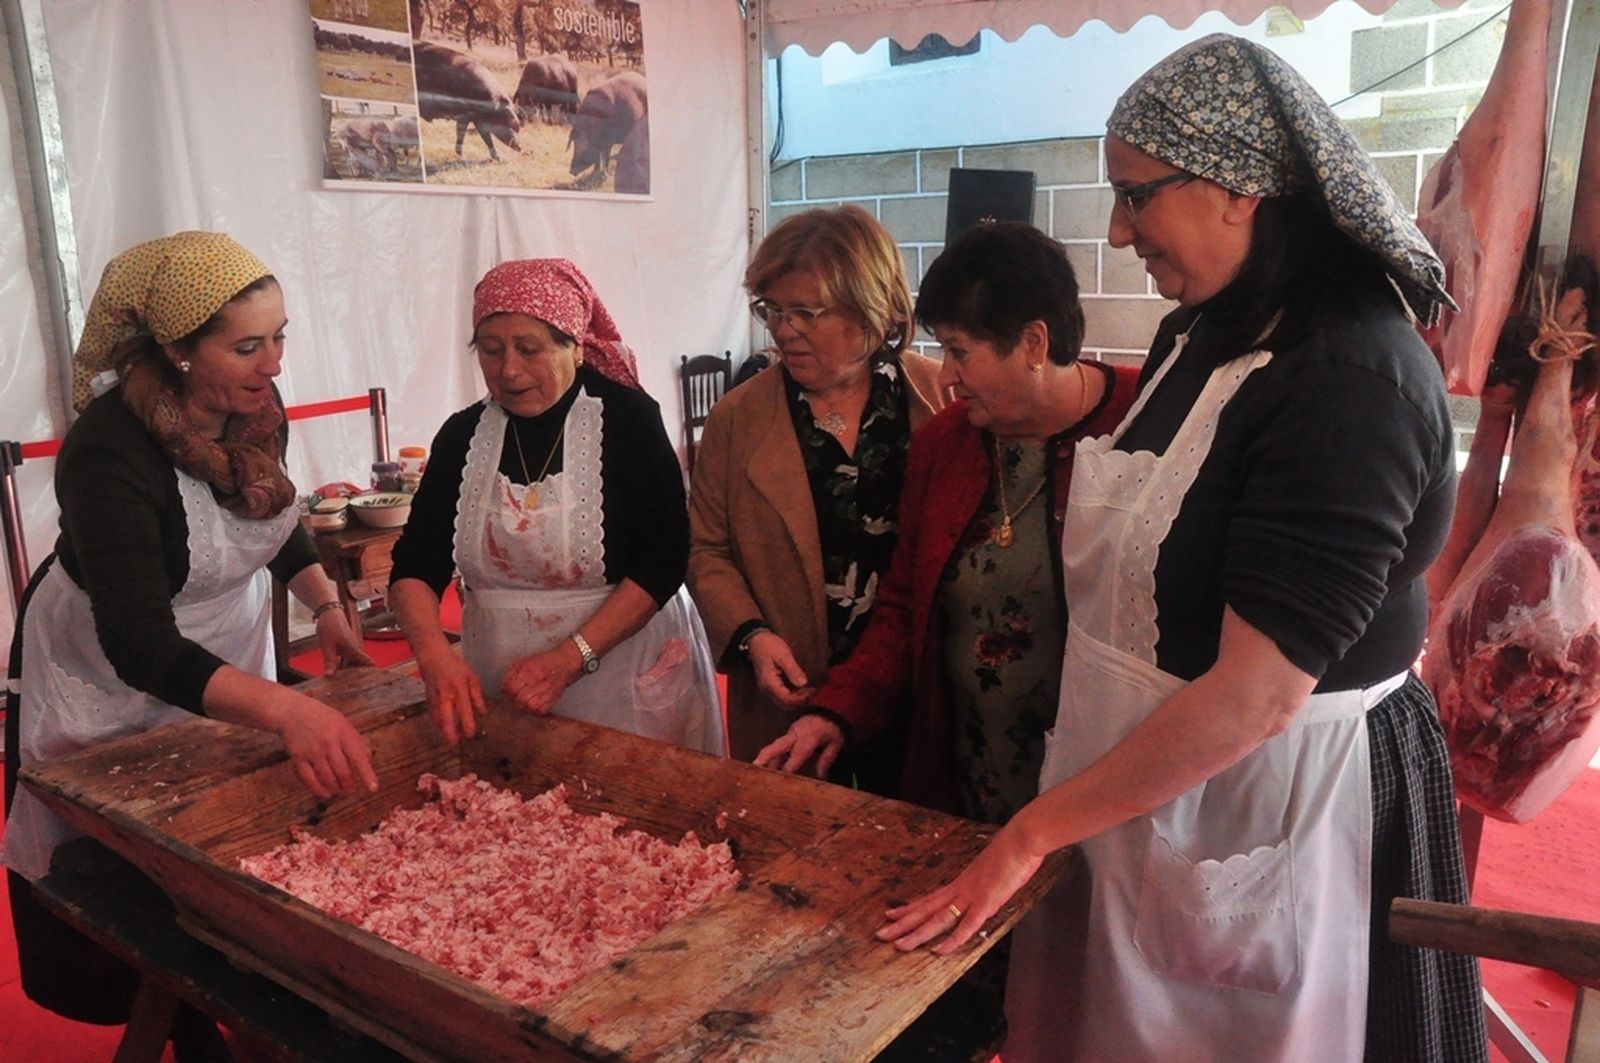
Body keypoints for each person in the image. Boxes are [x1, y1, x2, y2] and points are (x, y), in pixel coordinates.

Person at [874, 35, 1488, 1063]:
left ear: (1238, 189)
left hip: (1270, 793)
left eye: (1135, 194)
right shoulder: (1194, 330)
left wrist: (1031, 829)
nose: (1116, 230)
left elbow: (1256, 694)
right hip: (1136, 786)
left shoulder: (1348, 376)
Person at [752, 222, 1139, 1059]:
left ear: (1034, 342)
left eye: (960, 350)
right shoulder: (949, 443)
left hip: (1099, 784)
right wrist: (836, 713)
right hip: (969, 775)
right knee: (967, 992)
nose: (946, 374)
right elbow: (903, 610)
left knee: (1089, 994)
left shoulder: (1144, 422)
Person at [2, 231, 379, 1051]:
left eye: (280, 337)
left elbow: (269, 521)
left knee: (227, 843)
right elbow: (139, 641)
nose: (273, 363)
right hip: (108, 665)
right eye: (247, 345)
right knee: (133, 868)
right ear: (177, 349)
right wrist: (284, 708)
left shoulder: (252, 412)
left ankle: (233, 996)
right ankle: (183, 1018)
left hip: (221, 646)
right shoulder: (108, 450)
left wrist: (330, 609)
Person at [389, 258, 723, 755]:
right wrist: (434, 655)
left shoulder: (629, 421)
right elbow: (416, 563)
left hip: (621, 670)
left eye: (529, 349)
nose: (509, 370)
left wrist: (571, 658)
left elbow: (663, 561)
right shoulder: (463, 435)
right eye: (490, 349)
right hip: (501, 676)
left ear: (576, 346)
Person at [687, 204, 946, 774]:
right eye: (772, 310)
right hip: (793, 693)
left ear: (870, 309)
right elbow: (707, 550)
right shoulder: (738, 418)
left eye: (805, 312)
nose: (783, 330)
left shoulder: (939, 398)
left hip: (920, 693)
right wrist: (751, 635)